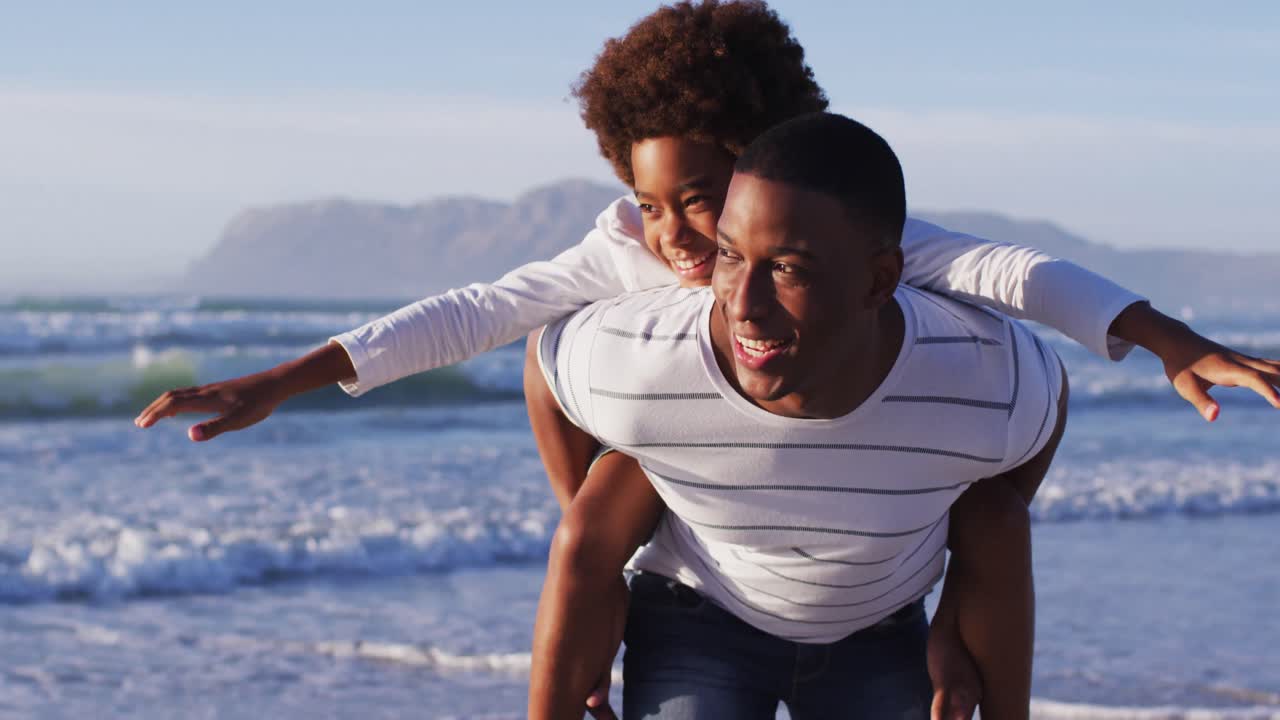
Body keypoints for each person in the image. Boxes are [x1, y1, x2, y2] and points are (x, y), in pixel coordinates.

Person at [132, 2, 1280, 718]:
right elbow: (482, 314)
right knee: (608, 476)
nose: (677, 236)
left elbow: (1013, 276)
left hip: (869, 597)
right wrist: (285, 380)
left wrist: (1169, 343)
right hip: (695, 575)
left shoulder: (850, 241)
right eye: (649, 203)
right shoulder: (624, 256)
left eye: (699, 197)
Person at [532, 111, 1071, 719]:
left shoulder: (971, 370)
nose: (744, 304)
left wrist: (967, 593)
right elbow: (544, 356)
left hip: (881, 634)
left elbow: (1045, 403)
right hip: (697, 618)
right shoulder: (648, 359)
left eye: (787, 268)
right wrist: (601, 571)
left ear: (880, 280)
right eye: (730, 255)